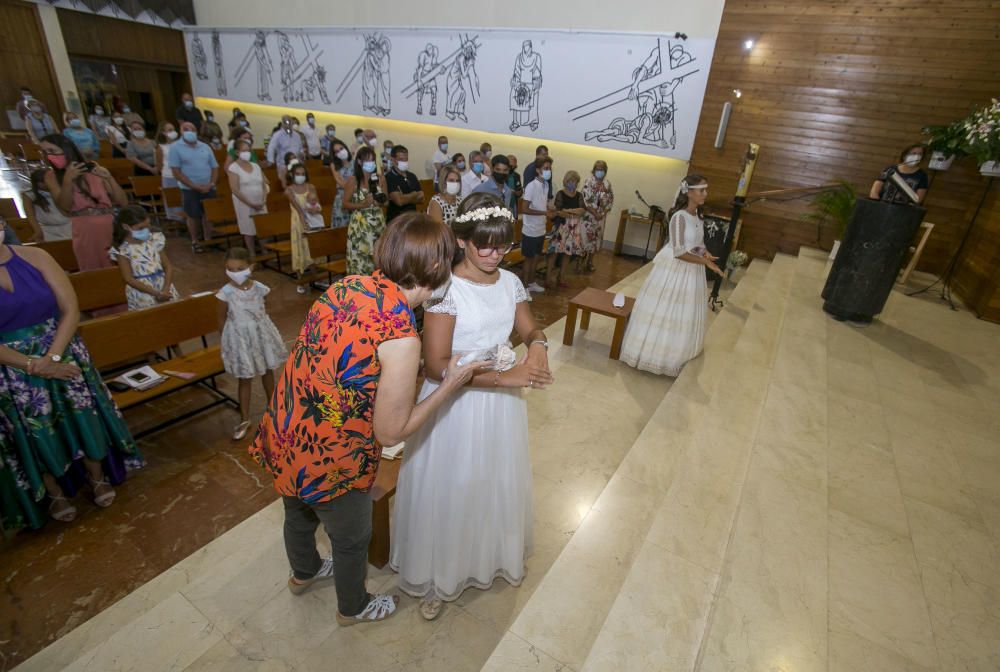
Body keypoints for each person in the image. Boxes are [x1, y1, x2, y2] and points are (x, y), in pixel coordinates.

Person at [249, 213, 481, 626]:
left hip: (289, 426)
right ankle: (352, 607)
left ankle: (303, 573)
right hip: (332, 452)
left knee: (297, 514)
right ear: (433, 269)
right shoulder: (401, 335)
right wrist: (451, 384)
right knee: (352, 536)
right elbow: (390, 430)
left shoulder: (348, 285)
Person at [391, 193, 554, 620]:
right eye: (485, 244)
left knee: (489, 481)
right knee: (453, 487)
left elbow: (529, 325)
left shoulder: (510, 281)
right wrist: (508, 377)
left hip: (499, 407)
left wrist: (538, 346)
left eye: (503, 245)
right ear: (462, 241)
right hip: (453, 405)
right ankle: (437, 575)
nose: (495, 253)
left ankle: (483, 557)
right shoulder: (445, 288)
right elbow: (435, 366)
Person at [0, 221, 142, 528]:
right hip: (12, 369)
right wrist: (31, 365)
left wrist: (51, 357)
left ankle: (97, 476)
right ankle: (54, 493)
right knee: (34, 431)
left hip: (61, 348)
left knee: (82, 417)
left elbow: (70, 308)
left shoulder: (35, 257)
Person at [620, 175, 723, 376]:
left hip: (692, 270)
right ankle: (655, 356)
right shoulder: (679, 217)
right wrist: (705, 263)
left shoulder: (698, 216)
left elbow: (696, 243)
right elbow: (679, 252)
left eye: (705, 190)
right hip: (676, 269)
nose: (705, 194)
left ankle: (680, 352)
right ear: (689, 192)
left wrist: (705, 253)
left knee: (684, 313)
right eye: (701, 190)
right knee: (666, 309)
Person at [218, 246, 286, 441]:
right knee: (245, 378)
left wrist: (260, 326)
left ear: (251, 267)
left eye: (239, 269)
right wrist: (230, 342)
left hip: (260, 335)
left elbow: (264, 311)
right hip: (240, 339)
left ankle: (273, 407)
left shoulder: (260, 288)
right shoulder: (225, 293)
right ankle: (245, 418)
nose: (235, 273)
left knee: (267, 371)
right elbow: (220, 319)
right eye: (230, 269)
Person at [41, 134, 127, 271]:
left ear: (66, 149)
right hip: (85, 229)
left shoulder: (93, 168)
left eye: (52, 151)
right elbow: (64, 207)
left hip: (109, 224)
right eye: (45, 152)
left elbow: (122, 201)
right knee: (93, 268)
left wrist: (109, 178)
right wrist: (68, 180)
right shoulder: (51, 176)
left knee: (119, 267)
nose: (48, 156)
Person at [109, 205, 179, 311]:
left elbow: (168, 266)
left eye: (148, 226)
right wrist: (156, 293)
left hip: (164, 286)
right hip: (143, 292)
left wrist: (166, 288)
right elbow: (129, 279)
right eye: (141, 228)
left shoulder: (154, 240)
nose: (146, 230)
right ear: (126, 227)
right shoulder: (123, 250)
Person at [169, 121, 219, 252]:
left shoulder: (205, 146)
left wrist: (211, 183)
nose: (189, 131)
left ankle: (208, 239)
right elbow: (176, 171)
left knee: (209, 214)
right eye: (186, 129)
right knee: (193, 215)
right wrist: (194, 186)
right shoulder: (175, 148)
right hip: (189, 188)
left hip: (208, 186)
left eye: (192, 129)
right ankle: (195, 241)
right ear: (181, 131)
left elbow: (214, 167)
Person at [343, 146, 388, 276]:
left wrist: (379, 201)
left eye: (373, 160)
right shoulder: (353, 180)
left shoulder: (380, 179)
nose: (371, 163)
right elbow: (345, 203)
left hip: (378, 224)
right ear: (359, 162)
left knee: (378, 259)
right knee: (361, 261)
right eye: (367, 160)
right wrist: (363, 204)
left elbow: (386, 201)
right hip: (360, 226)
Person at [520, 156, 554, 293]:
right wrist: (544, 213)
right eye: (546, 168)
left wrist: (549, 209)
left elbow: (541, 204)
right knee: (529, 259)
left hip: (541, 228)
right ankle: (524, 287)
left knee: (536, 257)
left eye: (550, 168)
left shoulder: (545, 185)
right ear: (538, 170)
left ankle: (532, 282)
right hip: (530, 229)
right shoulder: (531, 186)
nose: (548, 171)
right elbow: (525, 208)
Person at [228, 138, 269, 254]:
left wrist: (263, 200)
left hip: (260, 202)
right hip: (244, 203)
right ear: (237, 152)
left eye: (248, 150)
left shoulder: (256, 166)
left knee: (263, 227)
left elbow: (263, 185)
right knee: (248, 228)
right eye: (244, 150)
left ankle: (265, 250)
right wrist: (251, 204)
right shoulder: (233, 168)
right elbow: (235, 189)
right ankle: (252, 253)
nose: (247, 153)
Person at [285, 161, 321, 291]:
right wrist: (303, 220)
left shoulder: (311, 187)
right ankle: (300, 280)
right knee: (299, 247)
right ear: (292, 175)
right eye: (297, 174)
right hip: (297, 222)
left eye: (303, 174)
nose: (300, 176)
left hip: (312, 220)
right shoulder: (289, 190)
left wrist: (316, 210)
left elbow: (317, 204)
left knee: (311, 248)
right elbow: (298, 209)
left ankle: (316, 277)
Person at [549, 171, 586, 288]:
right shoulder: (560, 194)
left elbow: (582, 210)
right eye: (570, 181)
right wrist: (573, 212)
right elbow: (559, 211)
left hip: (574, 228)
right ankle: (548, 278)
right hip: (561, 227)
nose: (572, 183)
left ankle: (562, 277)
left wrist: (569, 210)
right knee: (554, 252)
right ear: (566, 181)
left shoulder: (579, 195)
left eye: (575, 181)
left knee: (568, 254)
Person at [581, 161, 614, 272]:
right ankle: (581, 260)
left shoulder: (607, 184)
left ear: (605, 171)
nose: (600, 171)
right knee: (585, 238)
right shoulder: (588, 182)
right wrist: (595, 213)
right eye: (598, 168)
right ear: (594, 169)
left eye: (602, 169)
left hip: (600, 218)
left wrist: (603, 213)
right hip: (589, 217)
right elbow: (585, 200)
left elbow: (610, 200)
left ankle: (590, 261)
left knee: (596, 239)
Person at [23, 169, 72, 241]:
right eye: (42, 182)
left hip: (68, 226)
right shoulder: (29, 195)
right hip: (47, 230)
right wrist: (38, 230)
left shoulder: (61, 190)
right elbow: (30, 215)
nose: (45, 184)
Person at [385, 145, 424, 222]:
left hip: (412, 218)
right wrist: (414, 195)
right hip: (396, 220)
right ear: (393, 160)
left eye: (406, 159)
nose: (404, 162)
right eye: (401, 159)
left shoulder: (412, 176)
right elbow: (399, 201)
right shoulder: (389, 177)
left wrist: (404, 197)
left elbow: (422, 198)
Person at [266, 115, 304, 182]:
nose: (288, 124)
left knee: (297, 183)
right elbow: (271, 147)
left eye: (290, 122)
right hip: (283, 165)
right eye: (286, 122)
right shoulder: (277, 135)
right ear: (283, 123)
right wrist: (270, 161)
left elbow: (300, 148)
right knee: (284, 183)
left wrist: (302, 154)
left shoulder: (297, 135)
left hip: (296, 164)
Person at [327, 138, 353, 228]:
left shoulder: (355, 162)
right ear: (334, 155)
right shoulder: (334, 165)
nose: (340, 152)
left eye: (341, 148)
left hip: (356, 197)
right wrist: (352, 187)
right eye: (337, 151)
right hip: (342, 197)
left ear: (345, 147)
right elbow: (340, 182)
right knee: (341, 227)